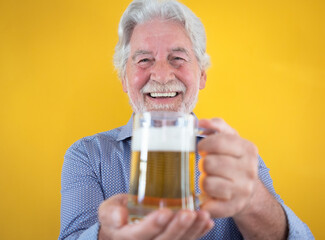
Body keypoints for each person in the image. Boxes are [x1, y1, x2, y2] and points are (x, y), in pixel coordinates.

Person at [59, 0, 314, 239]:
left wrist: (253, 199)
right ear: (124, 79)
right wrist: (108, 236)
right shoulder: (88, 156)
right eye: (144, 60)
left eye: (177, 58)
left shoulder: (234, 157)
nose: (160, 75)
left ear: (202, 75)